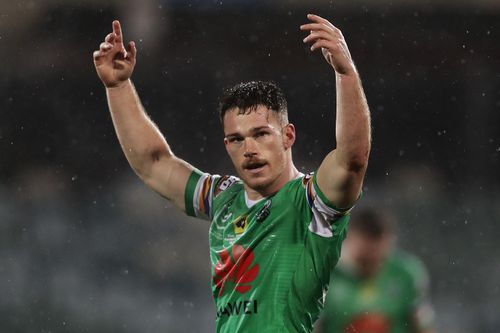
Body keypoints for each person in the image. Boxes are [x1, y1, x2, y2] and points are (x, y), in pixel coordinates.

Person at [92, 13, 371, 333]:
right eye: (236, 139)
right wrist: (118, 86)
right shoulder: (223, 196)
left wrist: (345, 72)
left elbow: (352, 159)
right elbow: (154, 163)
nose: (248, 148)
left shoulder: (312, 203)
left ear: (288, 136)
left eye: (261, 134)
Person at [316, 208, 436, 333]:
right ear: (346, 239)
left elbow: (423, 325)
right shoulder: (323, 277)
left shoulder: (405, 274)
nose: (373, 265)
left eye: (379, 259)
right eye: (364, 259)